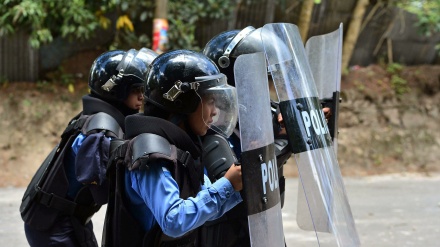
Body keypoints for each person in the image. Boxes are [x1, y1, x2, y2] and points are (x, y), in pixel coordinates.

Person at [201, 27, 333, 246]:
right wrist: (285, 140)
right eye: (257, 77)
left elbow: (299, 131)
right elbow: (242, 176)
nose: (263, 87)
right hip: (227, 234)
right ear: (234, 77)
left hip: (268, 223)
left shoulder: (265, 113)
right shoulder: (212, 124)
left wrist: (314, 117)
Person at [102, 49, 243, 247]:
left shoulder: (179, 149)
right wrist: (227, 186)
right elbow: (174, 220)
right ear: (183, 102)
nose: (215, 112)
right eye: (210, 101)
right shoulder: (150, 155)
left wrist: (237, 188)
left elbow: (203, 207)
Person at [22, 48, 158, 247]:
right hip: (53, 225)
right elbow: (100, 188)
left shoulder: (99, 120)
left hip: (71, 219)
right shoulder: (98, 131)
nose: (142, 97)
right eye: (136, 90)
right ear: (115, 90)